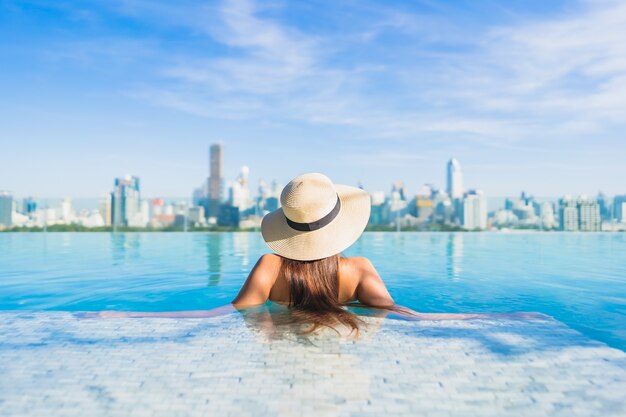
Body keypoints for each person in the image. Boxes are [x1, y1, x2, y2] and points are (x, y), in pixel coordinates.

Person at [87, 173, 535, 327]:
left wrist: (131, 315)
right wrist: (488, 317)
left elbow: (224, 313)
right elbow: (404, 314)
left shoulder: (269, 265)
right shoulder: (359, 269)